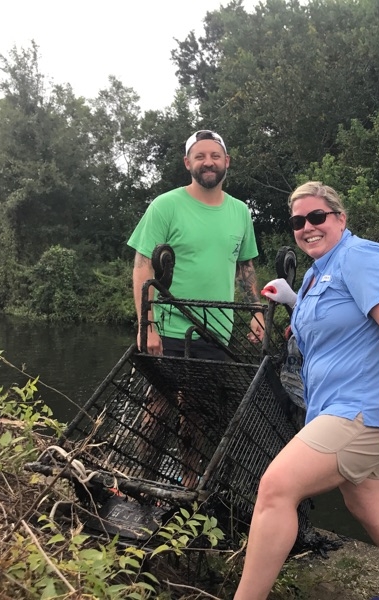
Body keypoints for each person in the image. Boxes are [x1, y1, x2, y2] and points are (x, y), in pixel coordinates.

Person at [234, 181, 379, 600]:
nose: (307, 227)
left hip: (364, 408)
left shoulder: (361, 256)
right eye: (298, 221)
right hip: (334, 407)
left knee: (276, 487)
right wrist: (296, 300)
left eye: (316, 217)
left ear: (340, 218)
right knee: (367, 505)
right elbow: (338, 328)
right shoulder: (317, 272)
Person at [127, 129, 264, 486]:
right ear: (188, 162)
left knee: (198, 417)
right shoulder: (165, 205)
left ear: (226, 163)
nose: (208, 162)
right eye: (200, 156)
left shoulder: (240, 212)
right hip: (170, 328)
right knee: (156, 410)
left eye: (215, 156)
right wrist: (147, 324)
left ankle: (189, 492)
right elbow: (143, 266)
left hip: (215, 332)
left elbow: (245, 266)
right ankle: (140, 484)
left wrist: (256, 312)